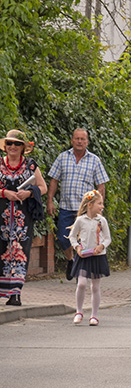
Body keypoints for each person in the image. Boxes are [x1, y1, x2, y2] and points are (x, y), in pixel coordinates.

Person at [47, 128, 109, 280]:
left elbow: (101, 185)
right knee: (63, 238)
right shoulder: (63, 158)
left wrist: (99, 206)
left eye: (83, 139)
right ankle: (71, 260)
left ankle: (82, 269)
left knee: (86, 240)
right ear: (72, 140)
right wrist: (50, 201)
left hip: (86, 209)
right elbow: (54, 180)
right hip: (66, 207)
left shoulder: (94, 160)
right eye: (77, 138)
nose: (80, 141)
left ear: (87, 142)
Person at [0, 130, 47, 306]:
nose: (13, 146)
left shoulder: (31, 166)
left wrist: (28, 192)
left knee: (19, 254)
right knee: (2, 252)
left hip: (22, 220)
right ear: (5, 146)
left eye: (17, 144)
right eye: (10, 143)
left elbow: (42, 187)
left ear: (23, 148)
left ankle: (15, 293)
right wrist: (4, 193)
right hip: (1, 218)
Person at [68, 190, 111, 326]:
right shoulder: (80, 220)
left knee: (95, 286)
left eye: (102, 203)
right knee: (81, 283)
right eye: (99, 203)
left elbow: (108, 238)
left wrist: (102, 246)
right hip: (84, 256)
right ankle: (79, 311)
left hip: (98, 256)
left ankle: (94, 315)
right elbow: (72, 236)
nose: (102, 206)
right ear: (90, 205)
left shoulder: (101, 220)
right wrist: (77, 248)